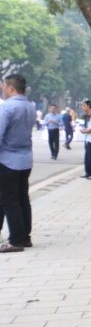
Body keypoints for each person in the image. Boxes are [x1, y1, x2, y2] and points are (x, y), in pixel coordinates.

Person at [0, 75, 35, 253]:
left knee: (10, 201)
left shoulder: (7, 108)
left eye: (3, 86)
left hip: (7, 160)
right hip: (25, 160)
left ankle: (15, 241)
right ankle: (25, 236)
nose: (2, 89)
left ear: (11, 88)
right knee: (22, 199)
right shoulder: (30, 107)